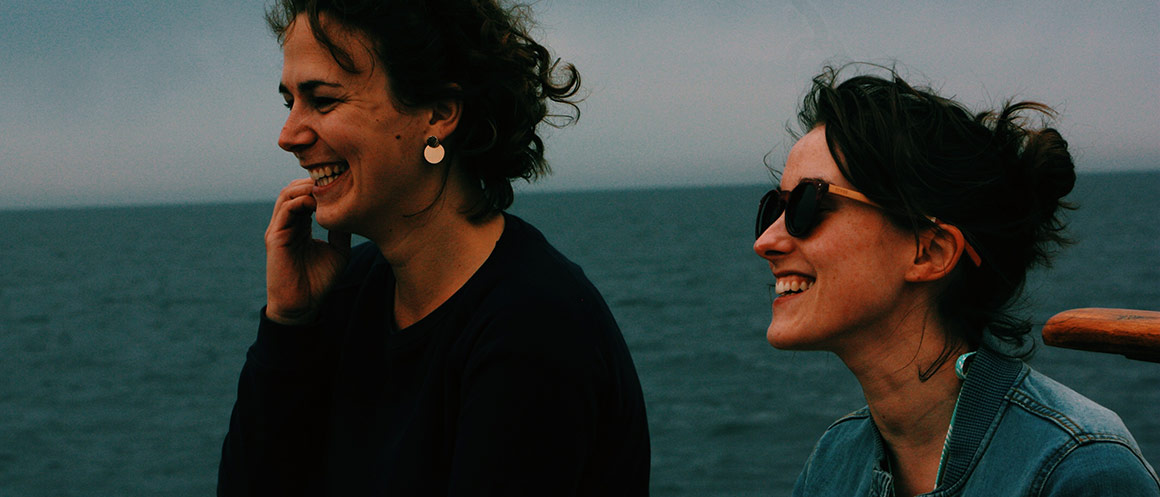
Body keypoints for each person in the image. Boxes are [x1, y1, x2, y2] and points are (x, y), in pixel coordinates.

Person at [217, 0, 650, 495]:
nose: (288, 135)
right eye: (289, 102)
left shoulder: (533, 327)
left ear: (439, 113)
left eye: (323, 100)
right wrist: (288, 327)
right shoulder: (351, 289)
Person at [754, 65, 1159, 496]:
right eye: (773, 207)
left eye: (806, 205)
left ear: (930, 251)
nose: (766, 240)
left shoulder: (1078, 471)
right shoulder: (836, 460)